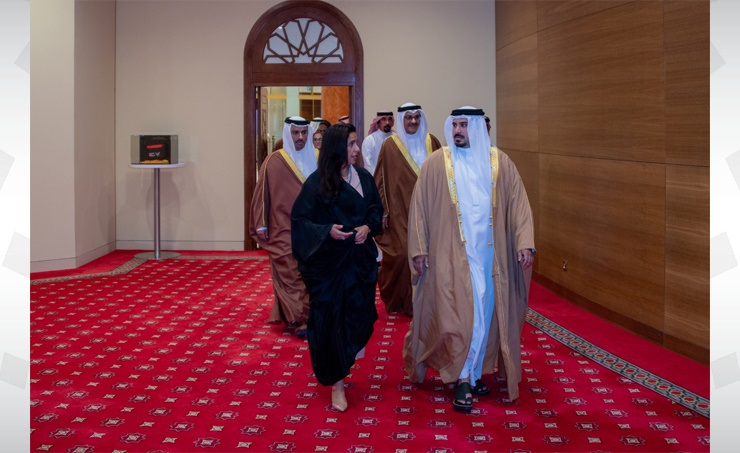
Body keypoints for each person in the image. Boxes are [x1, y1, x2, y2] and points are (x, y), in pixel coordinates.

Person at [402, 106, 535, 414]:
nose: (458, 131)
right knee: (459, 318)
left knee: (484, 316)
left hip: (491, 258)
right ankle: (462, 377)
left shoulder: (499, 162)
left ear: (476, 128)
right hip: (449, 257)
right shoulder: (437, 163)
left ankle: (474, 372)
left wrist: (525, 242)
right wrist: (419, 248)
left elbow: (519, 204)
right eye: (455, 125)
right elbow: (419, 208)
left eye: (464, 125)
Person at [291, 123, 382, 412]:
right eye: (351, 144)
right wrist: (326, 230)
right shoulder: (317, 183)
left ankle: (344, 363)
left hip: (359, 264)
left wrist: (367, 227)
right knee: (331, 323)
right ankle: (337, 383)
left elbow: (375, 211)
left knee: (357, 319)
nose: (356, 149)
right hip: (328, 267)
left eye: (356, 143)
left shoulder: (363, 178)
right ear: (336, 149)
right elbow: (300, 222)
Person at [250, 116, 318, 336]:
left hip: (313, 230)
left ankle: (298, 314)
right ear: (288, 133)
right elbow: (262, 194)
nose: (300, 137)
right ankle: (302, 319)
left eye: (304, 133)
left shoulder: (317, 158)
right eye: (295, 133)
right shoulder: (274, 161)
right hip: (283, 228)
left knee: (309, 274)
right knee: (289, 272)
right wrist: (261, 224)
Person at [374, 103, 441, 316]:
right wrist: (383, 210)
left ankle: (425, 302)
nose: (413, 121)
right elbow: (380, 179)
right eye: (408, 117)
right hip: (400, 211)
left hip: (430, 212)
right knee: (402, 255)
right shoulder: (390, 145)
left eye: (416, 117)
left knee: (431, 255)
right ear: (401, 120)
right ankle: (400, 300)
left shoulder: (433, 142)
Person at [361, 110, 395, 175]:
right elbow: (368, 164)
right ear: (378, 122)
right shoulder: (369, 140)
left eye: (390, 119)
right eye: (384, 119)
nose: (387, 122)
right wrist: (377, 178)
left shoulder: (396, 138)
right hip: (374, 177)